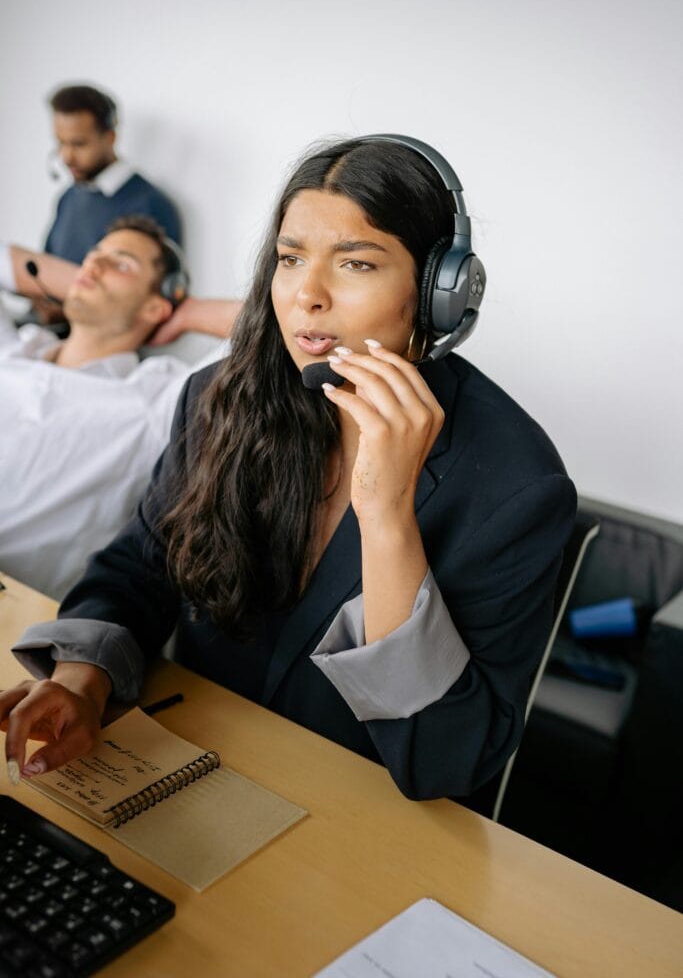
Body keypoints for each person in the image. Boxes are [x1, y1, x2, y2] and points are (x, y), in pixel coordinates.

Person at [2, 137, 576, 809]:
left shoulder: (517, 486)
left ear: (436, 294)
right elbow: (141, 567)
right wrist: (81, 678)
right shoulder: (223, 395)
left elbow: (444, 758)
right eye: (289, 259)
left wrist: (387, 517)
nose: (306, 295)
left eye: (356, 263)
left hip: (363, 825)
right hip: (184, 778)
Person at [0, 214, 241, 600]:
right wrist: (84, 279)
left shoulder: (155, 399)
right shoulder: (13, 348)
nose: (93, 264)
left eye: (122, 264)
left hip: (17, 610)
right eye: (93, 255)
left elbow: (277, 326)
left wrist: (186, 313)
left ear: (155, 308)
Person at [45, 84, 182, 265]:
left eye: (78, 144)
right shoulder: (69, 198)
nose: (67, 157)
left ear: (110, 138)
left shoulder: (149, 205)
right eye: (61, 143)